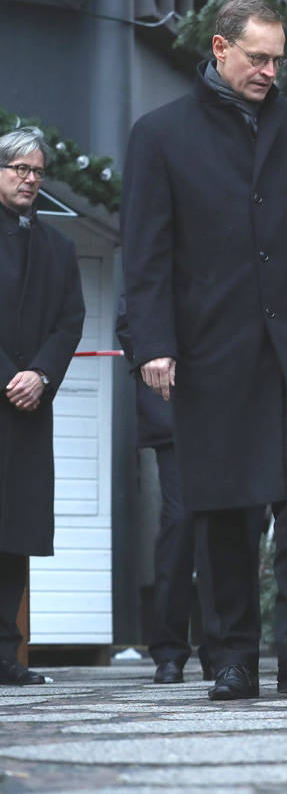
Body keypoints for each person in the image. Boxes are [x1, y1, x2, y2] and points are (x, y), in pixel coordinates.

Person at [120, 0, 287, 700]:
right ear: (220, 48)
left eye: (277, 59)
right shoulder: (160, 134)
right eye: (256, 57)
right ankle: (230, 655)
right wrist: (153, 345)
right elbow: (145, 253)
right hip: (212, 349)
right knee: (224, 504)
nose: (268, 70)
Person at [116, 295, 267, 684]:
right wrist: (156, 355)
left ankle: (223, 650)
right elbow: (131, 312)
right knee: (181, 521)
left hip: (234, 403)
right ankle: (168, 650)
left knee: (231, 521)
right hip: (173, 400)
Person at [0, 127, 85, 685]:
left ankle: (7, 655)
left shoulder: (57, 244)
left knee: (17, 531)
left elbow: (70, 319)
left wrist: (41, 375)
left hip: (29, 408)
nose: (30, 179)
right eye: (19, 169)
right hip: (5, 391)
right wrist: (9, 375)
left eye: (37, 171)